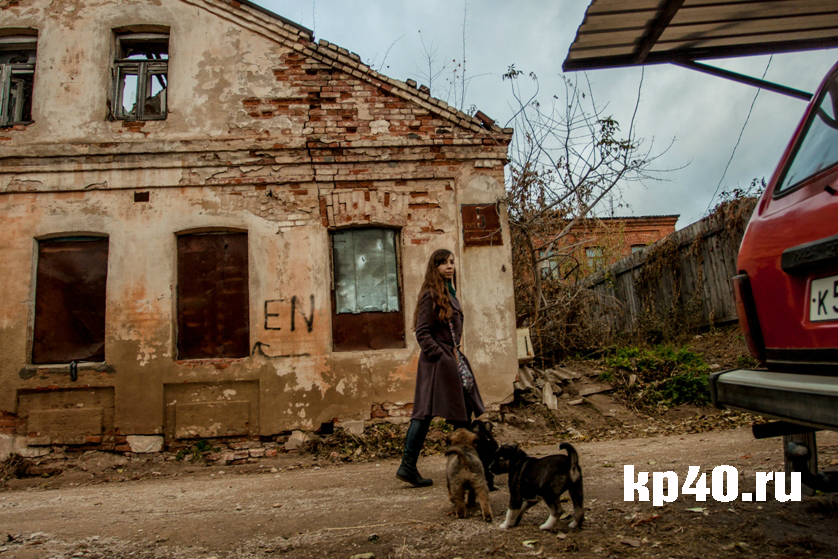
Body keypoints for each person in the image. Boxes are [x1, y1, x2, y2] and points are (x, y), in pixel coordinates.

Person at [396, 248, 485, 487]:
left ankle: (468, 467)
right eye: (444, 263)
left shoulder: (449, 293)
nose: (449, 266)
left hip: (449, 358)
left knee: (462, 412)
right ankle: (408, 465)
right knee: (425, 413)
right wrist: (442, 357)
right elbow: (422, 333)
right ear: (434, 267)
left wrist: (452, 356)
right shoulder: (431, 294)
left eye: (452, 262)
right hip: (437, 363)